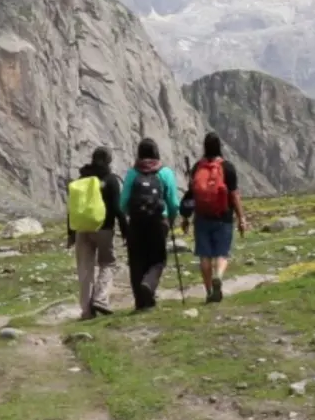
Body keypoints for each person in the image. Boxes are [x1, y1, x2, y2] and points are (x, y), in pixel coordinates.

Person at [118, 138, 180, 311]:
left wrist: (133, 214)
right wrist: (171, 219)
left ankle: (141, 302)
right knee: (158, 259)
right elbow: (174, 203)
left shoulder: (132, 173)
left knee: (136, 261)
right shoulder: (165, 172)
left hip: (136, 223)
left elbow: (123, 203)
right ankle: (149, 285)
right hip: (159, 222)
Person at [66, 146, 127, 320]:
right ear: (109, 161)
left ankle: (86, 311)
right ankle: (100, 298)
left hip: (81, 229)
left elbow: (72, 208)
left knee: (85, 270)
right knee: (108, 263)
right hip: (104, 229)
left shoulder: (81, 179)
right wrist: (125, 230)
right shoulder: (111, 180)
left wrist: (71, 233)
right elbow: (117, 208)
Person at [185, 132, 247, 303]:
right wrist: (241, 218)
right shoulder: (227, 168)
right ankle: (218, 275)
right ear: (220, 146)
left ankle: (209, 292)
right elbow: (234, 195)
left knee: (204, 256)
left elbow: (191, 194)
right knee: (222, 253)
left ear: (204, 147)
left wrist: (185, 217)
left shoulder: (197, 168)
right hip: (223, 217)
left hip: (202, 217)